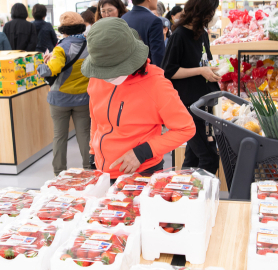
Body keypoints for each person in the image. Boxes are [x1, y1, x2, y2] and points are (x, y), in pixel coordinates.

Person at [81, 17, 195, 178]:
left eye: (113, 69)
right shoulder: (97, 77)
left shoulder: (156, 84)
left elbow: (186, 128)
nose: (107, 77)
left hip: (142, 173)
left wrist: (143, 152)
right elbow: (96, 119)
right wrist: (93, 152)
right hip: (102, 171)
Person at [163, 0, 221, 174]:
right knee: (209, 157)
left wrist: (212, 71)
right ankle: (202, 195)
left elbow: (203, 62)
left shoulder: (201, 33)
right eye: (212, 11)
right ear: (202, 10)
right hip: (188, 105)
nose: (213, 16)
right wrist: (201, 71)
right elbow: (169, 71)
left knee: (194, 156)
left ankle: (184, 191)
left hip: (203, 102)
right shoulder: (179, 35)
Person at [37, 12, 91, 176]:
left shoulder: (61, 48)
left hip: (60, 99)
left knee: (59, 136)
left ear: (63, 29)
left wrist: (42, 66)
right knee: (84, 135)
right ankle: (89, 169)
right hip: (83, 98)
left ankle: (59, 171)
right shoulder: (90, 46)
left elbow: (53, 69)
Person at [122, 0, 166, 68]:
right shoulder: (154, 21)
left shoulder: (123, 18)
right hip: (146, 75)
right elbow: (158, 57)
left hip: (126, 76)